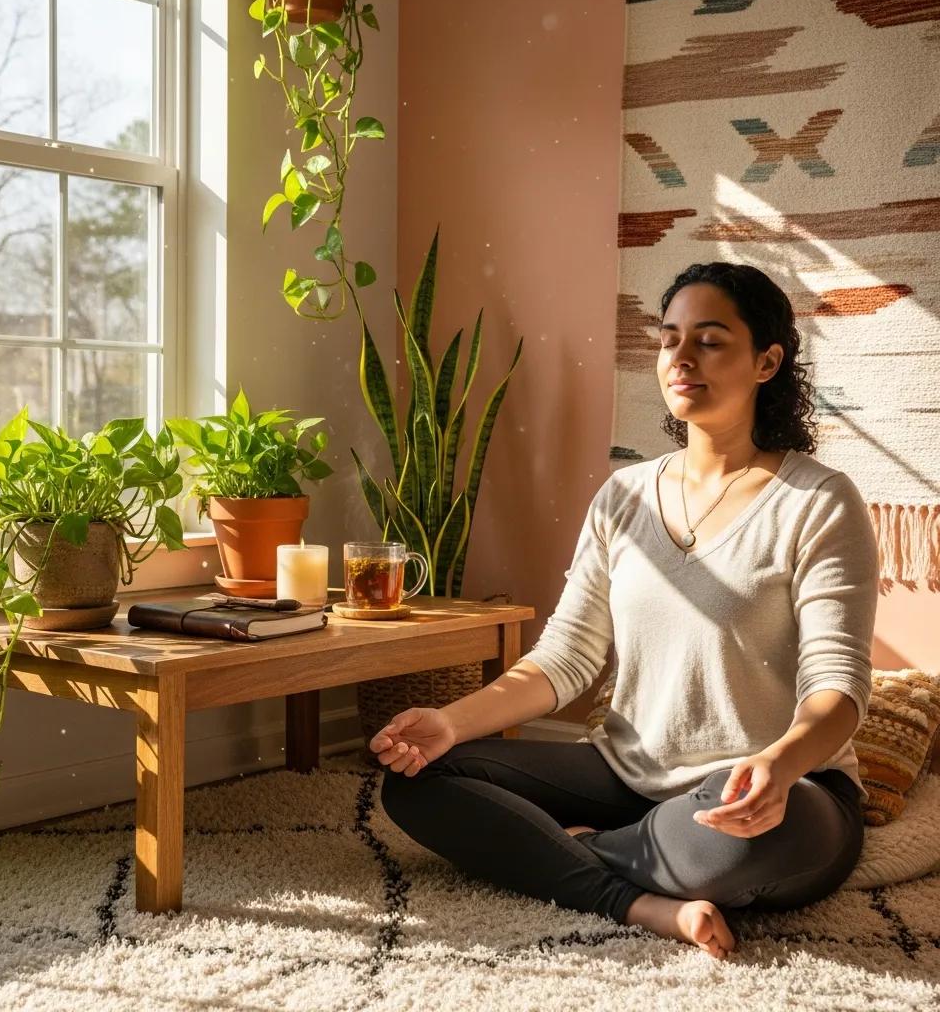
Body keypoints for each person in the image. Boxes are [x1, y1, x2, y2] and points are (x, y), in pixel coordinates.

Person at [369, 261, 877, 961]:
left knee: (726, 851)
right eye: (670, 339)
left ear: (767, 361)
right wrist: (447, 724)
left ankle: (577, 855)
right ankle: (637, 900)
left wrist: (782, 765)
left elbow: (838, 688)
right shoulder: (624, 495)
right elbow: (565, 659)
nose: (682, 358)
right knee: (417, 784)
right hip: (626, 775)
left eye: (710, 340)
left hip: (781, 792)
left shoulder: (818, 501)